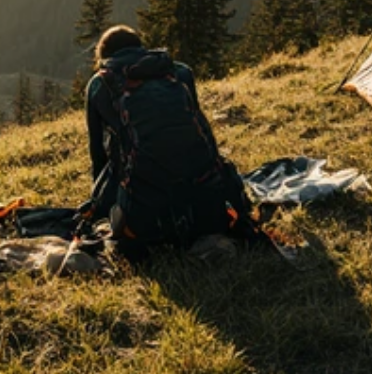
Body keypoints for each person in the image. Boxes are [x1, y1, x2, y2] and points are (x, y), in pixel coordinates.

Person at [80, 25, 254, 253]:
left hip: (144, 206)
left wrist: (100, 201)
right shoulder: (180, 72)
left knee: (120, 145)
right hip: (206, 194)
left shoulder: (99, 84)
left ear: (104, 56)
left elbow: (98, 151)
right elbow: (196, 128)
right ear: (141, 48)